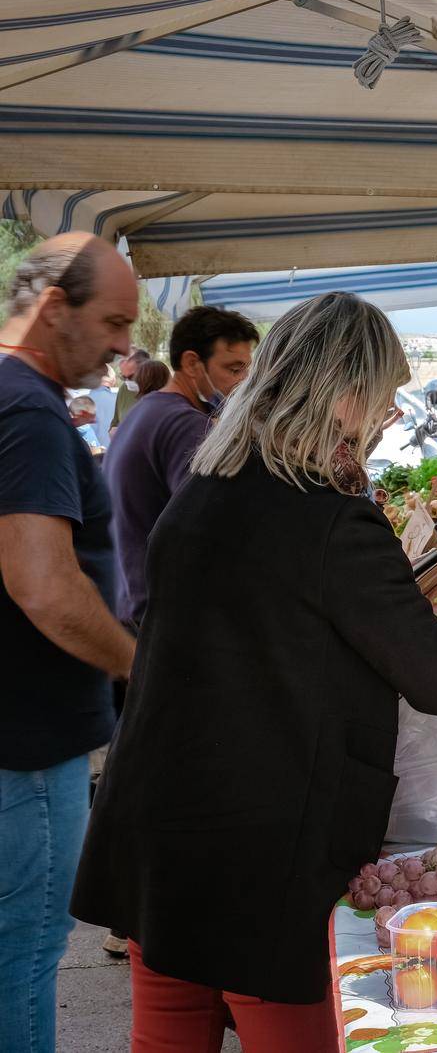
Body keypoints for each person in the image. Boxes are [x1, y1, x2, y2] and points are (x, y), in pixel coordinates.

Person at [71, 292, 437, 1051]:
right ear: (347, 394)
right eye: (385, 403)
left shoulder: (204, 489)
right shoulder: (326, 514)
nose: (384, 423)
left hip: (164, 831)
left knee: (167, 1037)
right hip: (263, 854)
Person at [0, 233, 139, 1053]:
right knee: (24, 954)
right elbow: (46, 586)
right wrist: (136, 664)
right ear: (54, 309)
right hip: (27, 742)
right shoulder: (26, 408)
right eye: (114, 320)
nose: (125, 343)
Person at [106, 306, 257, 628]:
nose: (243, 382)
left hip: (131, 603)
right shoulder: (184, 424)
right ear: (192, 363)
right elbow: (209, 528)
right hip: (162, 615)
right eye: (233, 369)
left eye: (247, 371)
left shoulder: (146, 411)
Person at [110, 347, 150, 431]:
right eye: (123, 377)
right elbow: (115, 421)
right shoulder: (124, 390)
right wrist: (112, 430)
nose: (127, 381)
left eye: (131, 376)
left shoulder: (160, 391)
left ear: (146, 370)